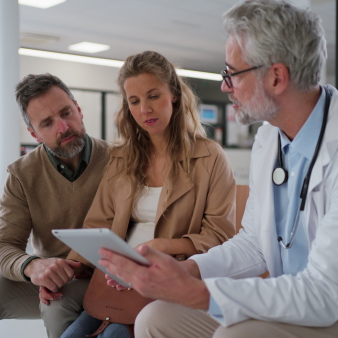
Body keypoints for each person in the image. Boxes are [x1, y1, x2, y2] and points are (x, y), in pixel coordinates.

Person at [97, 1, 338, 337]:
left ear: (276, 77)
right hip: (289, 301)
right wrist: (188, 270)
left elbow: (326, 294)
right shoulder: (270, 138)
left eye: (232, 73)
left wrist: (198, 293)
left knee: (237, 336)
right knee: (156, 318)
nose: (224, 86)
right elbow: (254, 244)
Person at [58, 50, 237, 338]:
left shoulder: (209, 156)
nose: (145, 110)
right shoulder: (122, 157)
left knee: (115, 335)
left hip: (168, 274)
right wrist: (72, 264)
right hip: (116, 277)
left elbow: (220, 235)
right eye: (135, 101)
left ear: (174, 95)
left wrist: (163, 246)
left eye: (154, 96)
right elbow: (98, 224)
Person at [0, 73, 110, 338]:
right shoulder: (22, 174)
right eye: (47, 123)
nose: (63, 127)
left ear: (79, 110)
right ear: (34, 133)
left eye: (66, 113)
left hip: (105, 276)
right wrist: (33, 267)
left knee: (56, 302)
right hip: (48, 278)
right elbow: (2, 247)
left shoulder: (117, 161)